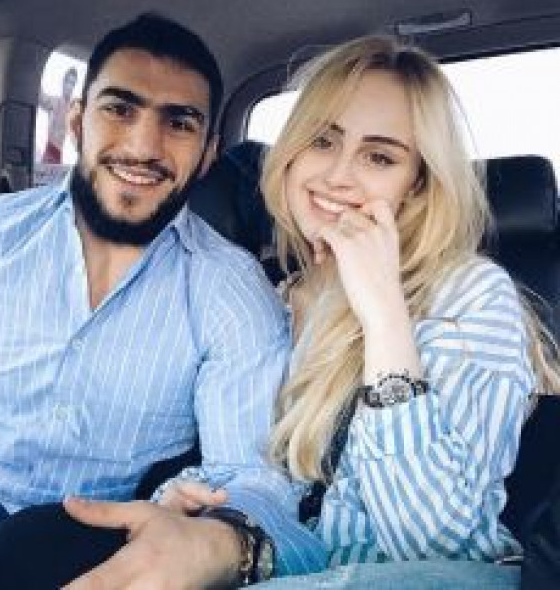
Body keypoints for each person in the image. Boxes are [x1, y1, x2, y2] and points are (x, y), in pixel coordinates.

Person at [0, 13, 326, 589]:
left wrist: (216, 537)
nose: (143, 146)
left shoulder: (231, 290)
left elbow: (250, 477)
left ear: (208, 153)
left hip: (96, 547)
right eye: (120, 109)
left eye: (179, 122)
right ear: (78, 121)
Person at [156, 35, 560, 589]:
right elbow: (261, 480)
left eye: (379, 157)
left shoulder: (468, 297)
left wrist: (384, 315)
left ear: (417, 184)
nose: (337, 176)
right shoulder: (262, 299)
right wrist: (191, 504)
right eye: (323, 141)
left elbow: (435, 546)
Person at [39, 66, 78, 165]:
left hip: (59, 153)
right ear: (63, 83)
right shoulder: (54, 102)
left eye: (72, 83)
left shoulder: (73, 108)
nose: (69, 86)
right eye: (68, 82)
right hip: (49, 150)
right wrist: (36, 72)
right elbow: (40, 97)